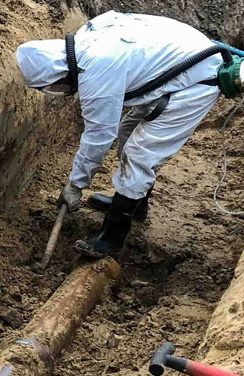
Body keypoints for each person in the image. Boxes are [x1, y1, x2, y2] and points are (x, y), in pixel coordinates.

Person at [17, 11, 225, 258]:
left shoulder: (96, 72)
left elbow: (99, 136)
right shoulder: (86, 40)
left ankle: (112, 237)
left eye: (56, 86)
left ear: (61, 74)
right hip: (180, 63)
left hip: (196, 81)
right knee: (128, 132)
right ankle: (134, 205)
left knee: (140, 154)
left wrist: (75, 184)